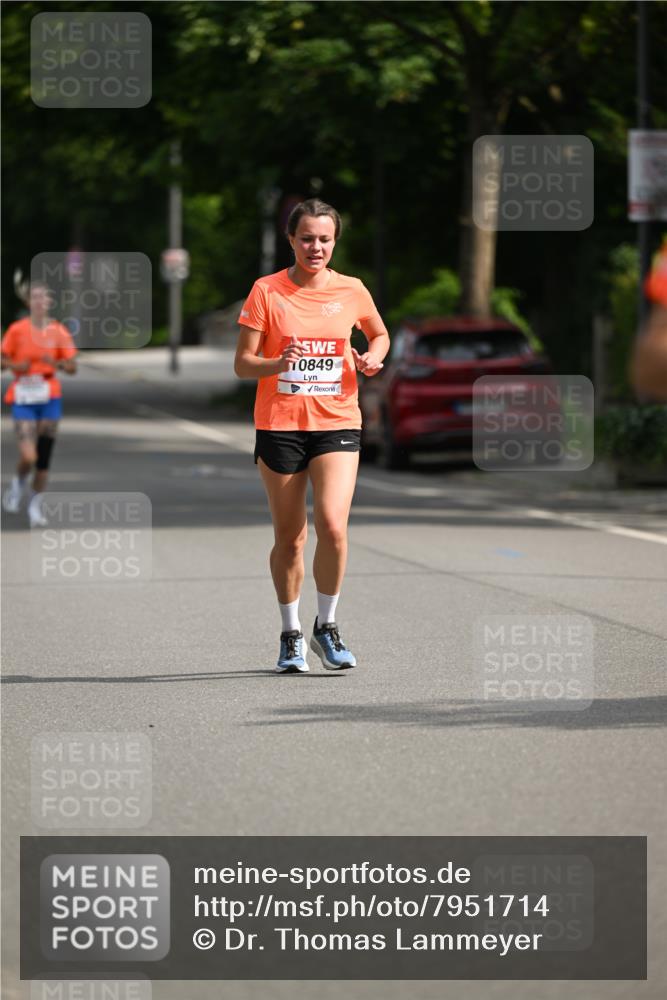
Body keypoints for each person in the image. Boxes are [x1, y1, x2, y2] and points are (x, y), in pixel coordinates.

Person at [235, 198, 390, 673]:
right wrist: (277, 362)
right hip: (280, 424)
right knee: (291, 538)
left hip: (337, 420)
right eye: (306, 238)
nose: (315, 247)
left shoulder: (352, 289)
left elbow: (379, 334)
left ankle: (327, 625)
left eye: (324, 239)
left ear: (335, 242)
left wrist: (372, 357)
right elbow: (243, 364)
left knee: (334, 526)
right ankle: (291, 635)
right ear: (291, 240)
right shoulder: (267, 291)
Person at [1, 282, 77, 527]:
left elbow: (72, 367)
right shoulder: (17, 330)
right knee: (28, 456)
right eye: (34, 297)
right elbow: (2, 360)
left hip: (49, 398)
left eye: (43, 297)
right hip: (23, 397)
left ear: (50, 302)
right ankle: (18, 484)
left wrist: (57, 364)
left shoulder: (59, 331)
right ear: (27, 302)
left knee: (43, 459)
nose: (39, 302)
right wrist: (15, 366)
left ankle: (35, 506)